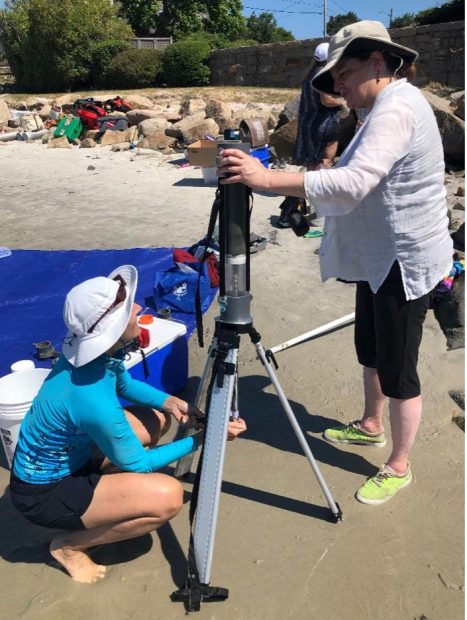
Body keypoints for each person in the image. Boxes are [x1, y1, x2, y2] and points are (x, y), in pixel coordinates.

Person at [217, 21, 453, 505]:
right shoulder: (382, 107)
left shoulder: (397, 108)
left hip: (403, 262)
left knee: (399, 371)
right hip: (379, 256)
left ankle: (399, 465)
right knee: (370, 349)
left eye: (343, 72)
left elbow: (353, 183)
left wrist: (266, 179)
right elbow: (355, 175)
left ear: (378, 60)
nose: (337, 85)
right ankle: (371, 425)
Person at [9, 265, 246, 582]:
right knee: (167, 496)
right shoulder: (94, 402)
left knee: (157, 418)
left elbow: (122, 383)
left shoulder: (86, 354)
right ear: (112, 330)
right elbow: (141, 463)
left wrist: (170, 401)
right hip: (45, 493)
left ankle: (110, 489)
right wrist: (206, 438)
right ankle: (69, 547)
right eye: (128, 308)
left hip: (73, 453)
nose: (137, 307)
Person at [277, 41, 343, 228]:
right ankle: (320, 213)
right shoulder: (324, 75)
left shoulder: (309, 76)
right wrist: (344, 99)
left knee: (312, 167)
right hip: (324, 124)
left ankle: (305, 208)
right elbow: (328, 100)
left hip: (308, 125)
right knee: (323, 165)